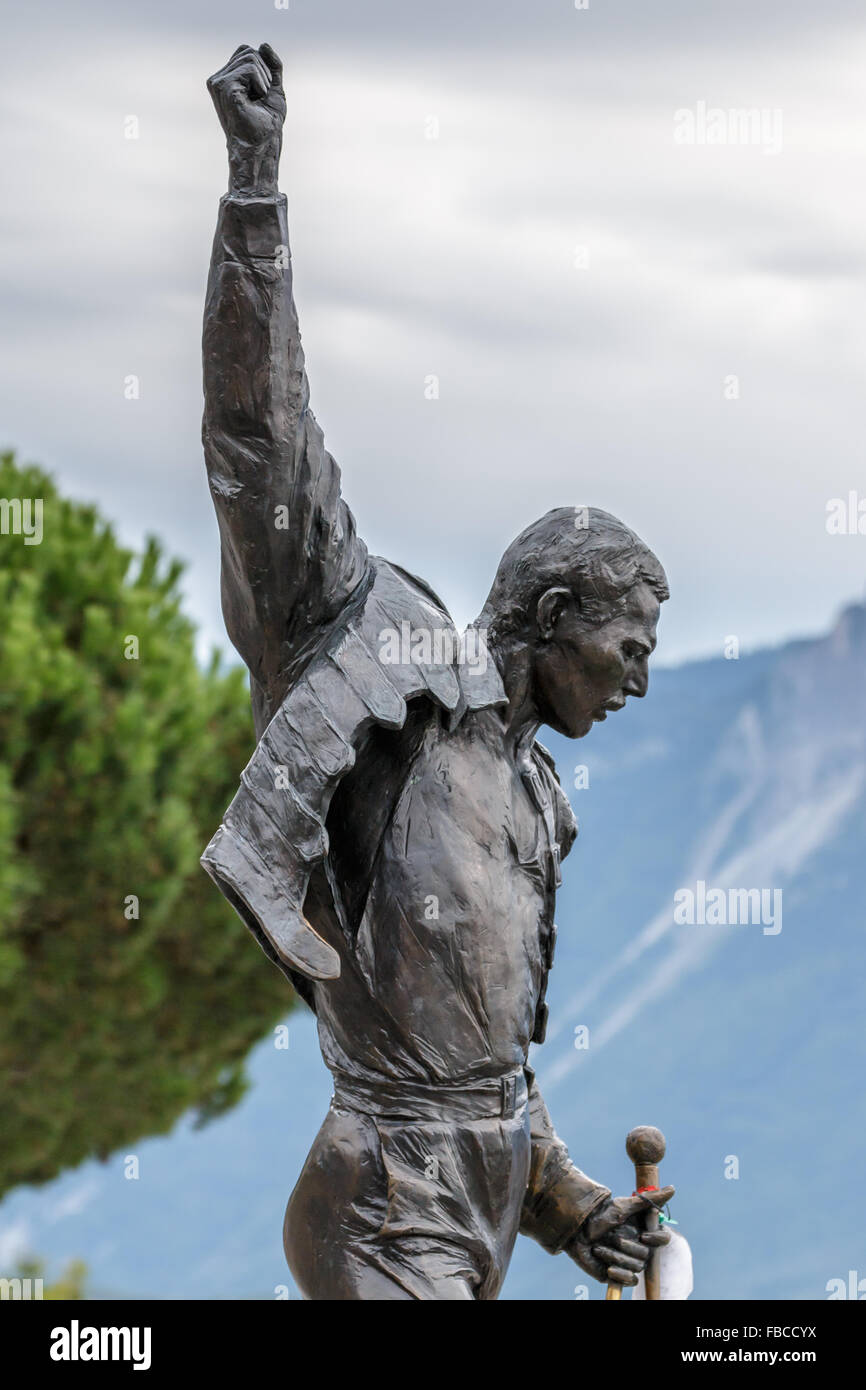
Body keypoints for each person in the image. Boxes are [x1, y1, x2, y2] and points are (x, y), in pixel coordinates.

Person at [201, 43, 673, 1300]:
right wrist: (256, 189)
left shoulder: (532, 796)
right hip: (378, 1209)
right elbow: (264, 445)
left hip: (473, 1206)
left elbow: (480, 1070)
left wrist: (569, 1208)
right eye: (627, 647)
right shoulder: (379, 661)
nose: (636, 682)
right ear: (556, 612)